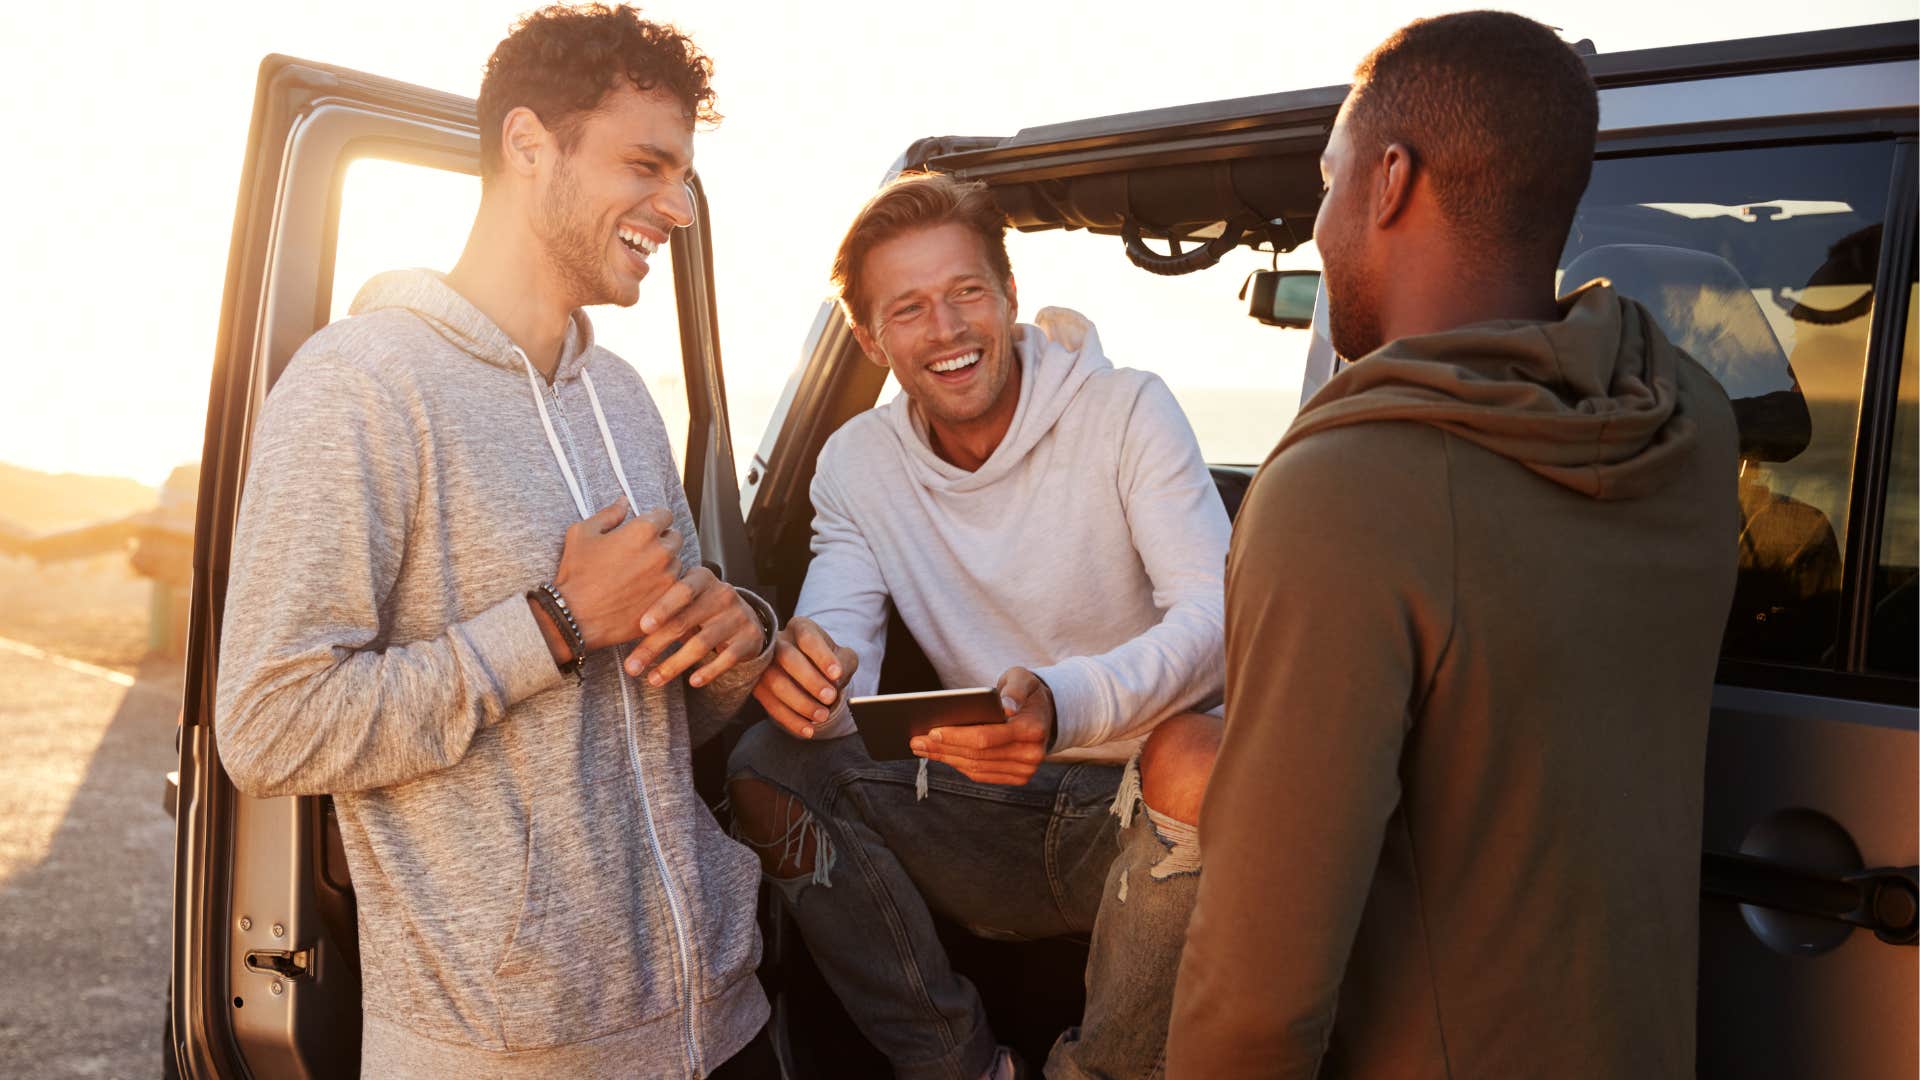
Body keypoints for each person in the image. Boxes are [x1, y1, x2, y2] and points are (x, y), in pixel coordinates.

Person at [1166, 11, 1742, 1078]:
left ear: (1388, 183)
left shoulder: (1343, 495)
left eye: (1329, 182)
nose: (1322, 222)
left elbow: (1256, 999)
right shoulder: (1692, 427)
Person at [214, 6, 780, 1077]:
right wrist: (552, 625)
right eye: (648, 165)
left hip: (720, 1017)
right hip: (515, 1053)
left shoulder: (622, 398)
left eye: (685, 176)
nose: (678, 207)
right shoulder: (362, 386)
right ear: (529, 145)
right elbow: (269, 724)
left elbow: (671, 709)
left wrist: (733, 638)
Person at [726, 171, 1228, 1079]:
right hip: (980, 806)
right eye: (909, 308)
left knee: (1200, 760)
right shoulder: (857, 463)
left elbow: (1217, 621)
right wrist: (810, 672)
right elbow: (840, 659)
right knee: (766, 764)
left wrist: (1061, 705)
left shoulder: (1126, 410)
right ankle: (962, 1070)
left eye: (966, 293)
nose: (948, 330)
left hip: (1146, 817)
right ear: (870, 338)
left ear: (1008, 297)